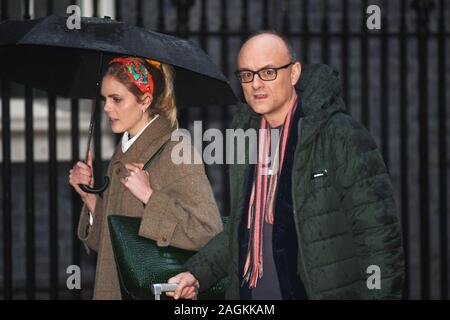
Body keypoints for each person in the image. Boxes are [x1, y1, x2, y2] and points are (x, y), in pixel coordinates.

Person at [167, 31, 405, 300]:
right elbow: (240, 228)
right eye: (246, 74)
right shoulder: (246, 138)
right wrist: (197, 273)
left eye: (268, 72)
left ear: (294, 73)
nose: (256, 84)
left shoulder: (340, 135)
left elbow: (379, 240)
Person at [68, 56, 223, 300]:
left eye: (116, 99)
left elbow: (208, 231)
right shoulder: (124, 152)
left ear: (145, 100)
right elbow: (111, 246)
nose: (107, 107)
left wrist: (150, 196)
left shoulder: (175, 149)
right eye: (105, 99)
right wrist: (89, 197)